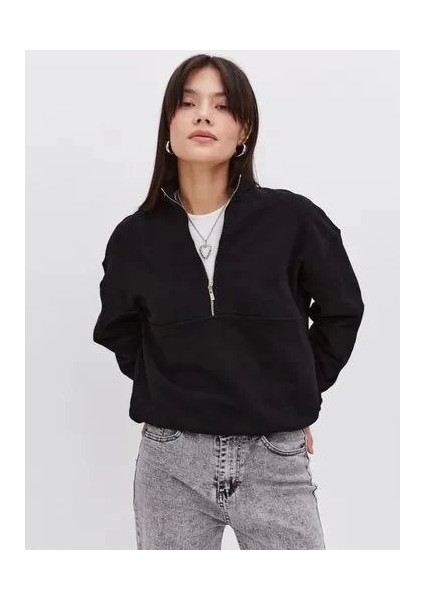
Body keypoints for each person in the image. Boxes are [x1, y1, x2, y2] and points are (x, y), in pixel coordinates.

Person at [93, 54, 365, 550]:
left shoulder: (294, 220)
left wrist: (298, 389)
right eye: (188, 103)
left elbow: (341, 310)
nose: (203, 115)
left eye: (221, 106)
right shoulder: (133, 238)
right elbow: (119, 329)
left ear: (244, 131)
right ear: (168, 125)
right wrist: (169, 389)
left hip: (274, 456)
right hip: (170, 461)